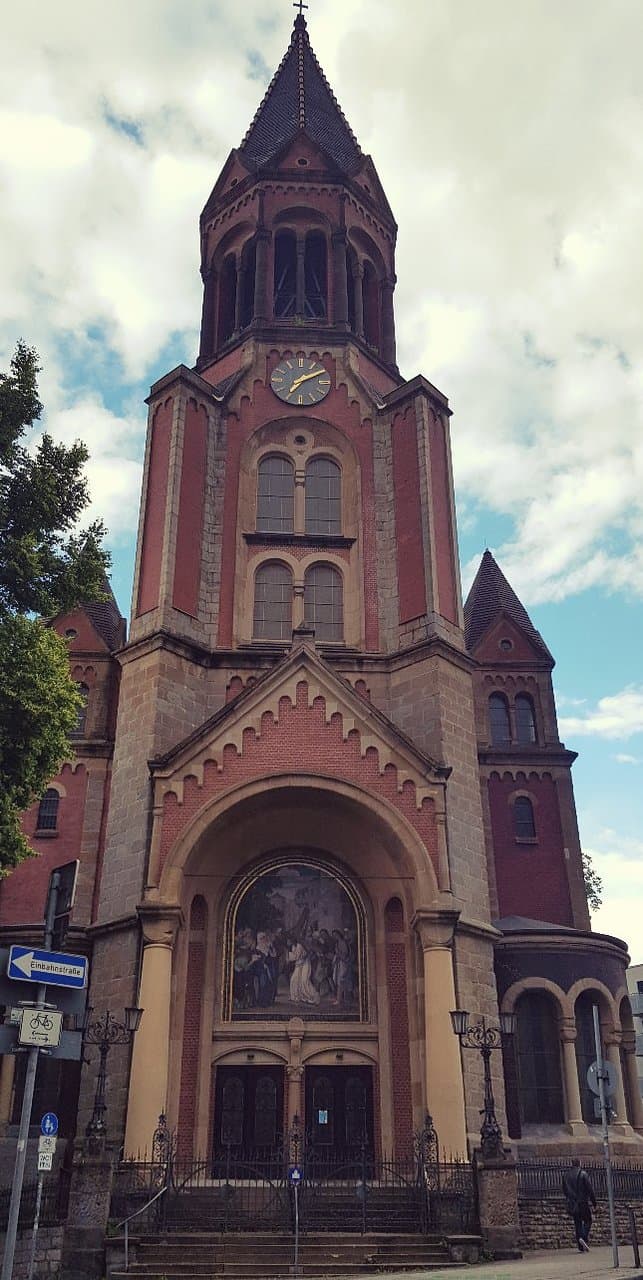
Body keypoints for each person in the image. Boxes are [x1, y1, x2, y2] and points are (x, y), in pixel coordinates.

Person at [562, 1157, 597, 1252]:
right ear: (579, 1163)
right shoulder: (583, 1174)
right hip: (583, 1202)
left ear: (572, 1164)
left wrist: (569, 1199)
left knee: (577, 1224)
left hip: (573, 1203)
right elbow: (590, 1189)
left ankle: (581, 1246)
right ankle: (584, 1237)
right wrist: (594, 1203)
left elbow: (564, 1190)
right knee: (588, 1221)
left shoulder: (566, 1175)